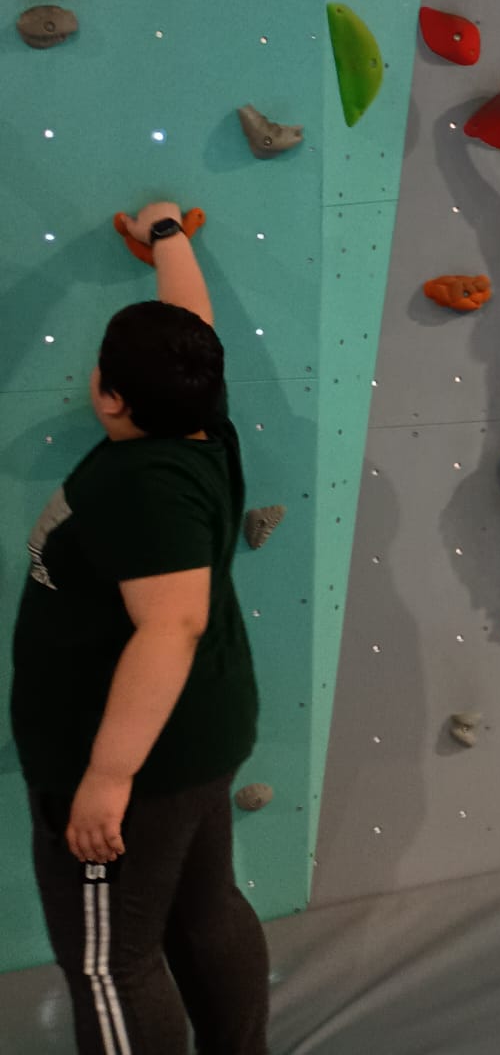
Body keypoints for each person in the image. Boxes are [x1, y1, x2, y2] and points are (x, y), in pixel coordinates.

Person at [9, 201, 269, 1055]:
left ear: (111, 395)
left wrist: (107, 777)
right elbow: (193, 325)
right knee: (204, 912)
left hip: (139, 763)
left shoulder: (144, 484)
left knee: (109, 962)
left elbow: (173, 624)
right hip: (197, 734)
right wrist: (168, 236)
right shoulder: (200, 422)